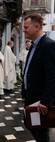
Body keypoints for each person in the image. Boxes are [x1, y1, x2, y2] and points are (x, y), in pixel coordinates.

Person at [22, 13, 55, 142]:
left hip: (40, 101)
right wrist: (24, 92)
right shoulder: (34, 45)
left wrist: (45, 101)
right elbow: (29, 69)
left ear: (36, 26)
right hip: (31, 97)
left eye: (26, 27)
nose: (24, 30)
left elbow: (52, 76)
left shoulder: (48, 45)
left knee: (41, 133)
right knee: (29, 124)